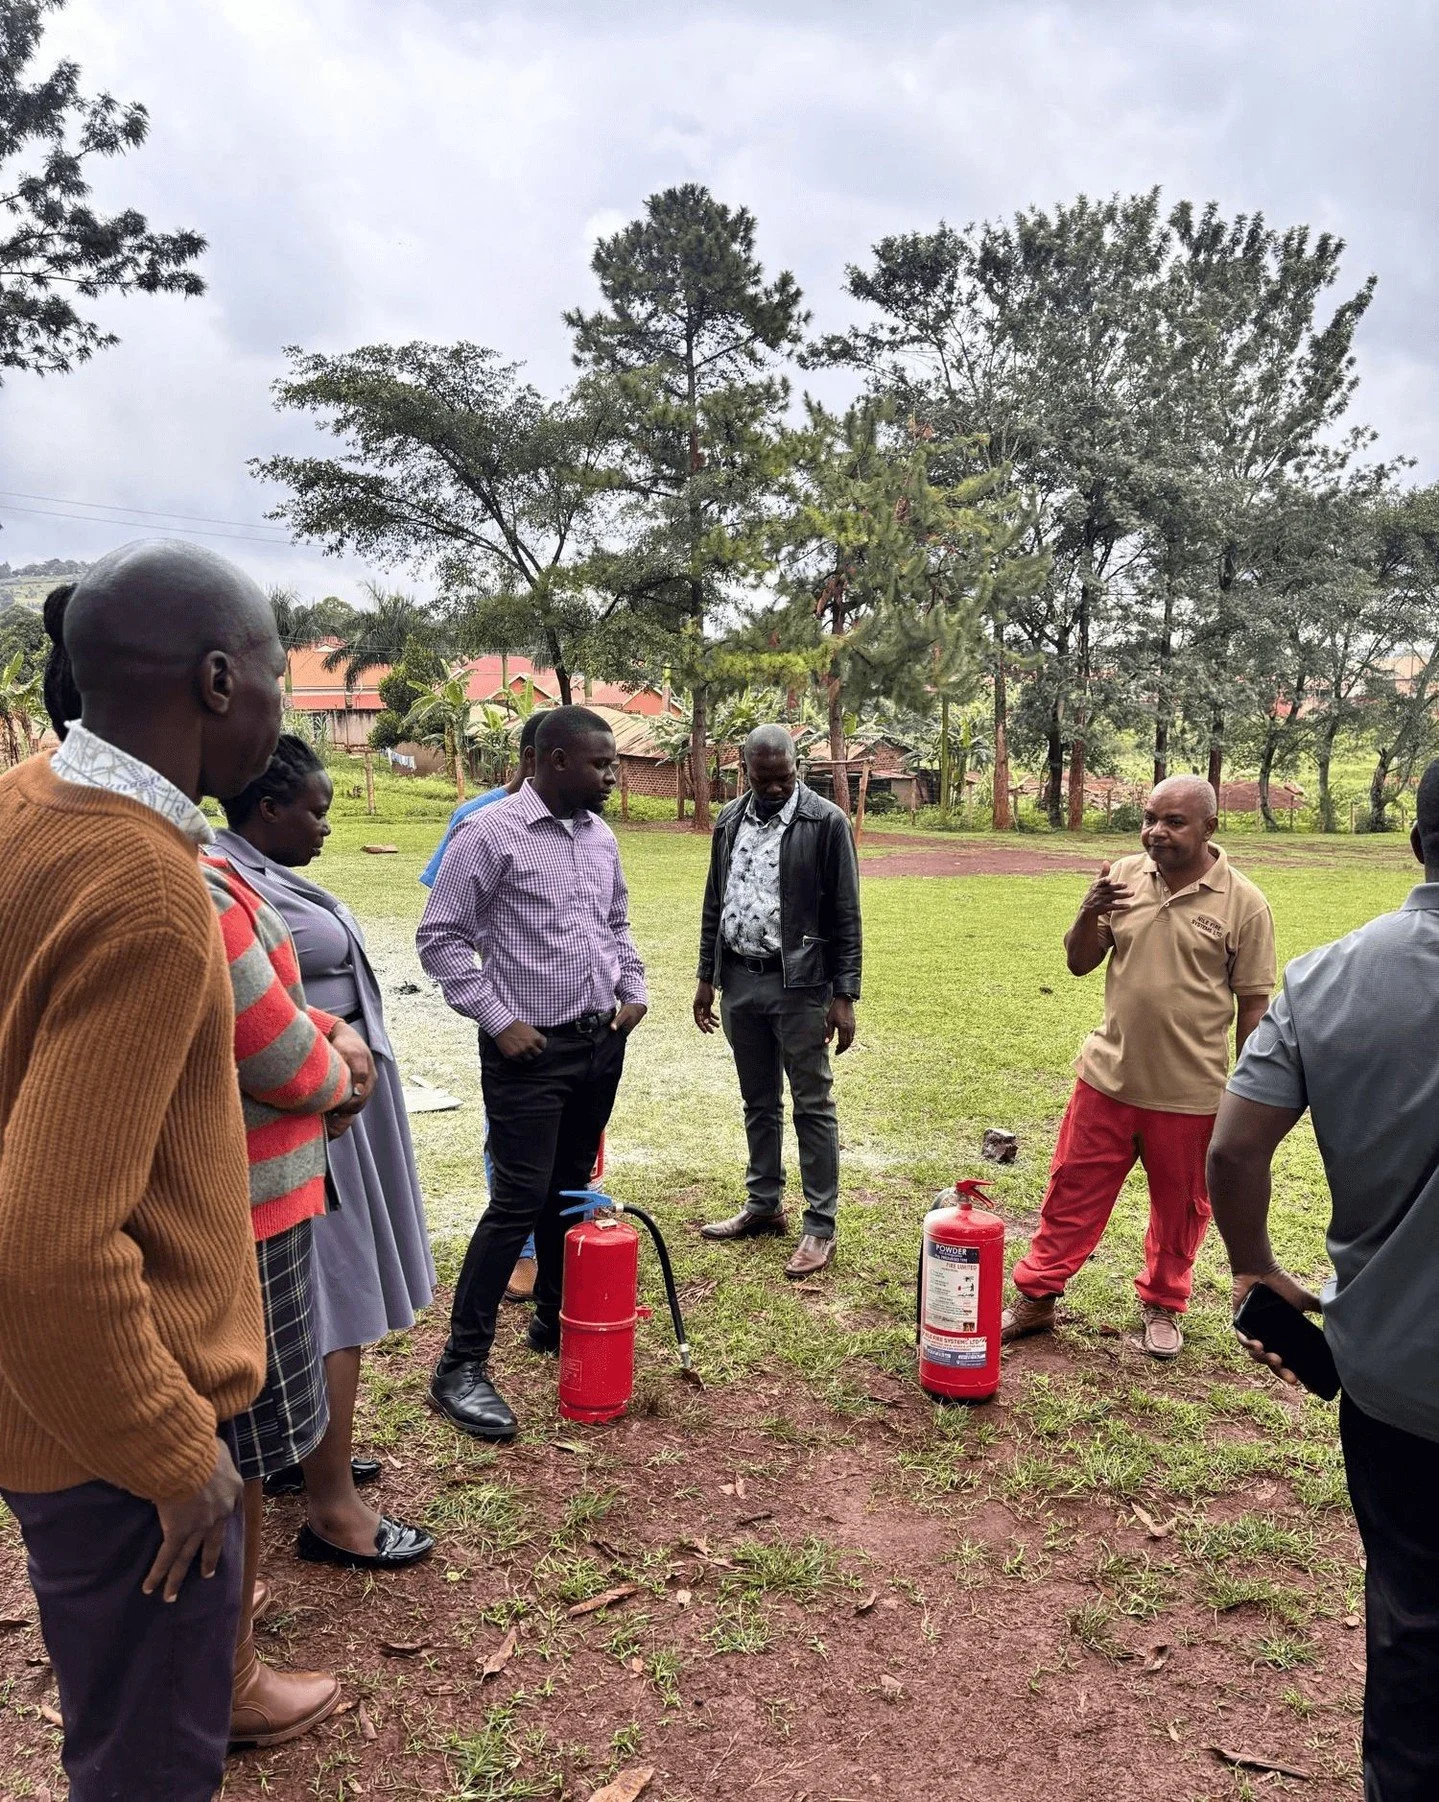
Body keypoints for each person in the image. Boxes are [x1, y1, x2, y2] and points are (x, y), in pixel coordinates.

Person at [0, 541, 280, 1802]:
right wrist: (173, 1450)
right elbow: (48, 1238)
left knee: (114, 1719)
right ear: (219, 680)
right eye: (277, 670)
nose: (282, 698)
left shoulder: (27, 801)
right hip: (117, 1433)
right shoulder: (148, 893)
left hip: (42, 1404)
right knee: (148, 1765)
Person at [1207, 758, 1439, 1802]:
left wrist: (1252, 1264)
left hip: (1397, 1385)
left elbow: (1231, 1149)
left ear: (1414, 843)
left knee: (1411, 1623)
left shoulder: (1328, 975)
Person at [214, 736, 437, 1571]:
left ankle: (310, 1451)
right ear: (266, 809)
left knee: (327, 1289)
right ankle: (333, 1508)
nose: (325, 827)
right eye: (314, 810)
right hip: (309, 1113)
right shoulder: (219, 875)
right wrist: (334, 1079)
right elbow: (261, 1021)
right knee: (328, 1299)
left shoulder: (254, 871)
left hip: (340, 1105)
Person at [417, 705, 647, 1440]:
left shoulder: (599, 835)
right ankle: (459, 1365)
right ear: (552, 761)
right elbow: (441, 937)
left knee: (571, 1188)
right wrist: (498, 1019)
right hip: (529, 1051)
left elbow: (615, 922)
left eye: (612, 762)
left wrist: (631, 992)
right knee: (517, 1201)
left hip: (597, 1041)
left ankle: (552, 1319)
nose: (612, 775)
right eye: (600, 763)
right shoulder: (488, 834)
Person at [1002, 776, 1275, 1359]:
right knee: (1071, 1192)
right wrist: (1087, 911)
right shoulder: (1123, 876)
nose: (1156, 832)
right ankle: (1037, 1296)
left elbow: (1254, 1004)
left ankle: (1163, 1303)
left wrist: (1248, 1092)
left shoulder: (1244, 902)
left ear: (1209, 827)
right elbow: (1079, 963)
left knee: (1182, 1211)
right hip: (1107, 1078)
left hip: (1192, 1093)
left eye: (1174, 821)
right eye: (1149, 818)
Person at [200, 847, 357, 1745]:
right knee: (244, 1441)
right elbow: (272, 1049)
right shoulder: (182, 870)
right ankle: (231, 1676)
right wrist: (343, 1069)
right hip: (245, 1210)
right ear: (214, 695)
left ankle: (222, 1614)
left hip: (236, 1200)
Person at [695, 725, 862, 1279]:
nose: (772, 788)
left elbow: (845, 914)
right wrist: (706, 977)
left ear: (799, 768)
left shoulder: (826, 822)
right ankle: (763, 1203)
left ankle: (820, 1226)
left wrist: (844, 995)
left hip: (801, 984)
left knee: (811, 1103)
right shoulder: (728, 821)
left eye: (782, 777)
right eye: (761, 778)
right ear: (745, 770)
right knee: (757, 1100)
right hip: (740, 980)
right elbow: (715, 902)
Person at [421, 713, 542, 1303]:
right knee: (509, 1139)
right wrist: (495, 1009)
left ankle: (556, 1243)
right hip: (513, 1024)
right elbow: (446, 923)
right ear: (531, 757)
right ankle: (522, 1253)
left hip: (578, 1023)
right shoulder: (477, 822)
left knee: (567, 1142)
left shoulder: (588, 825)